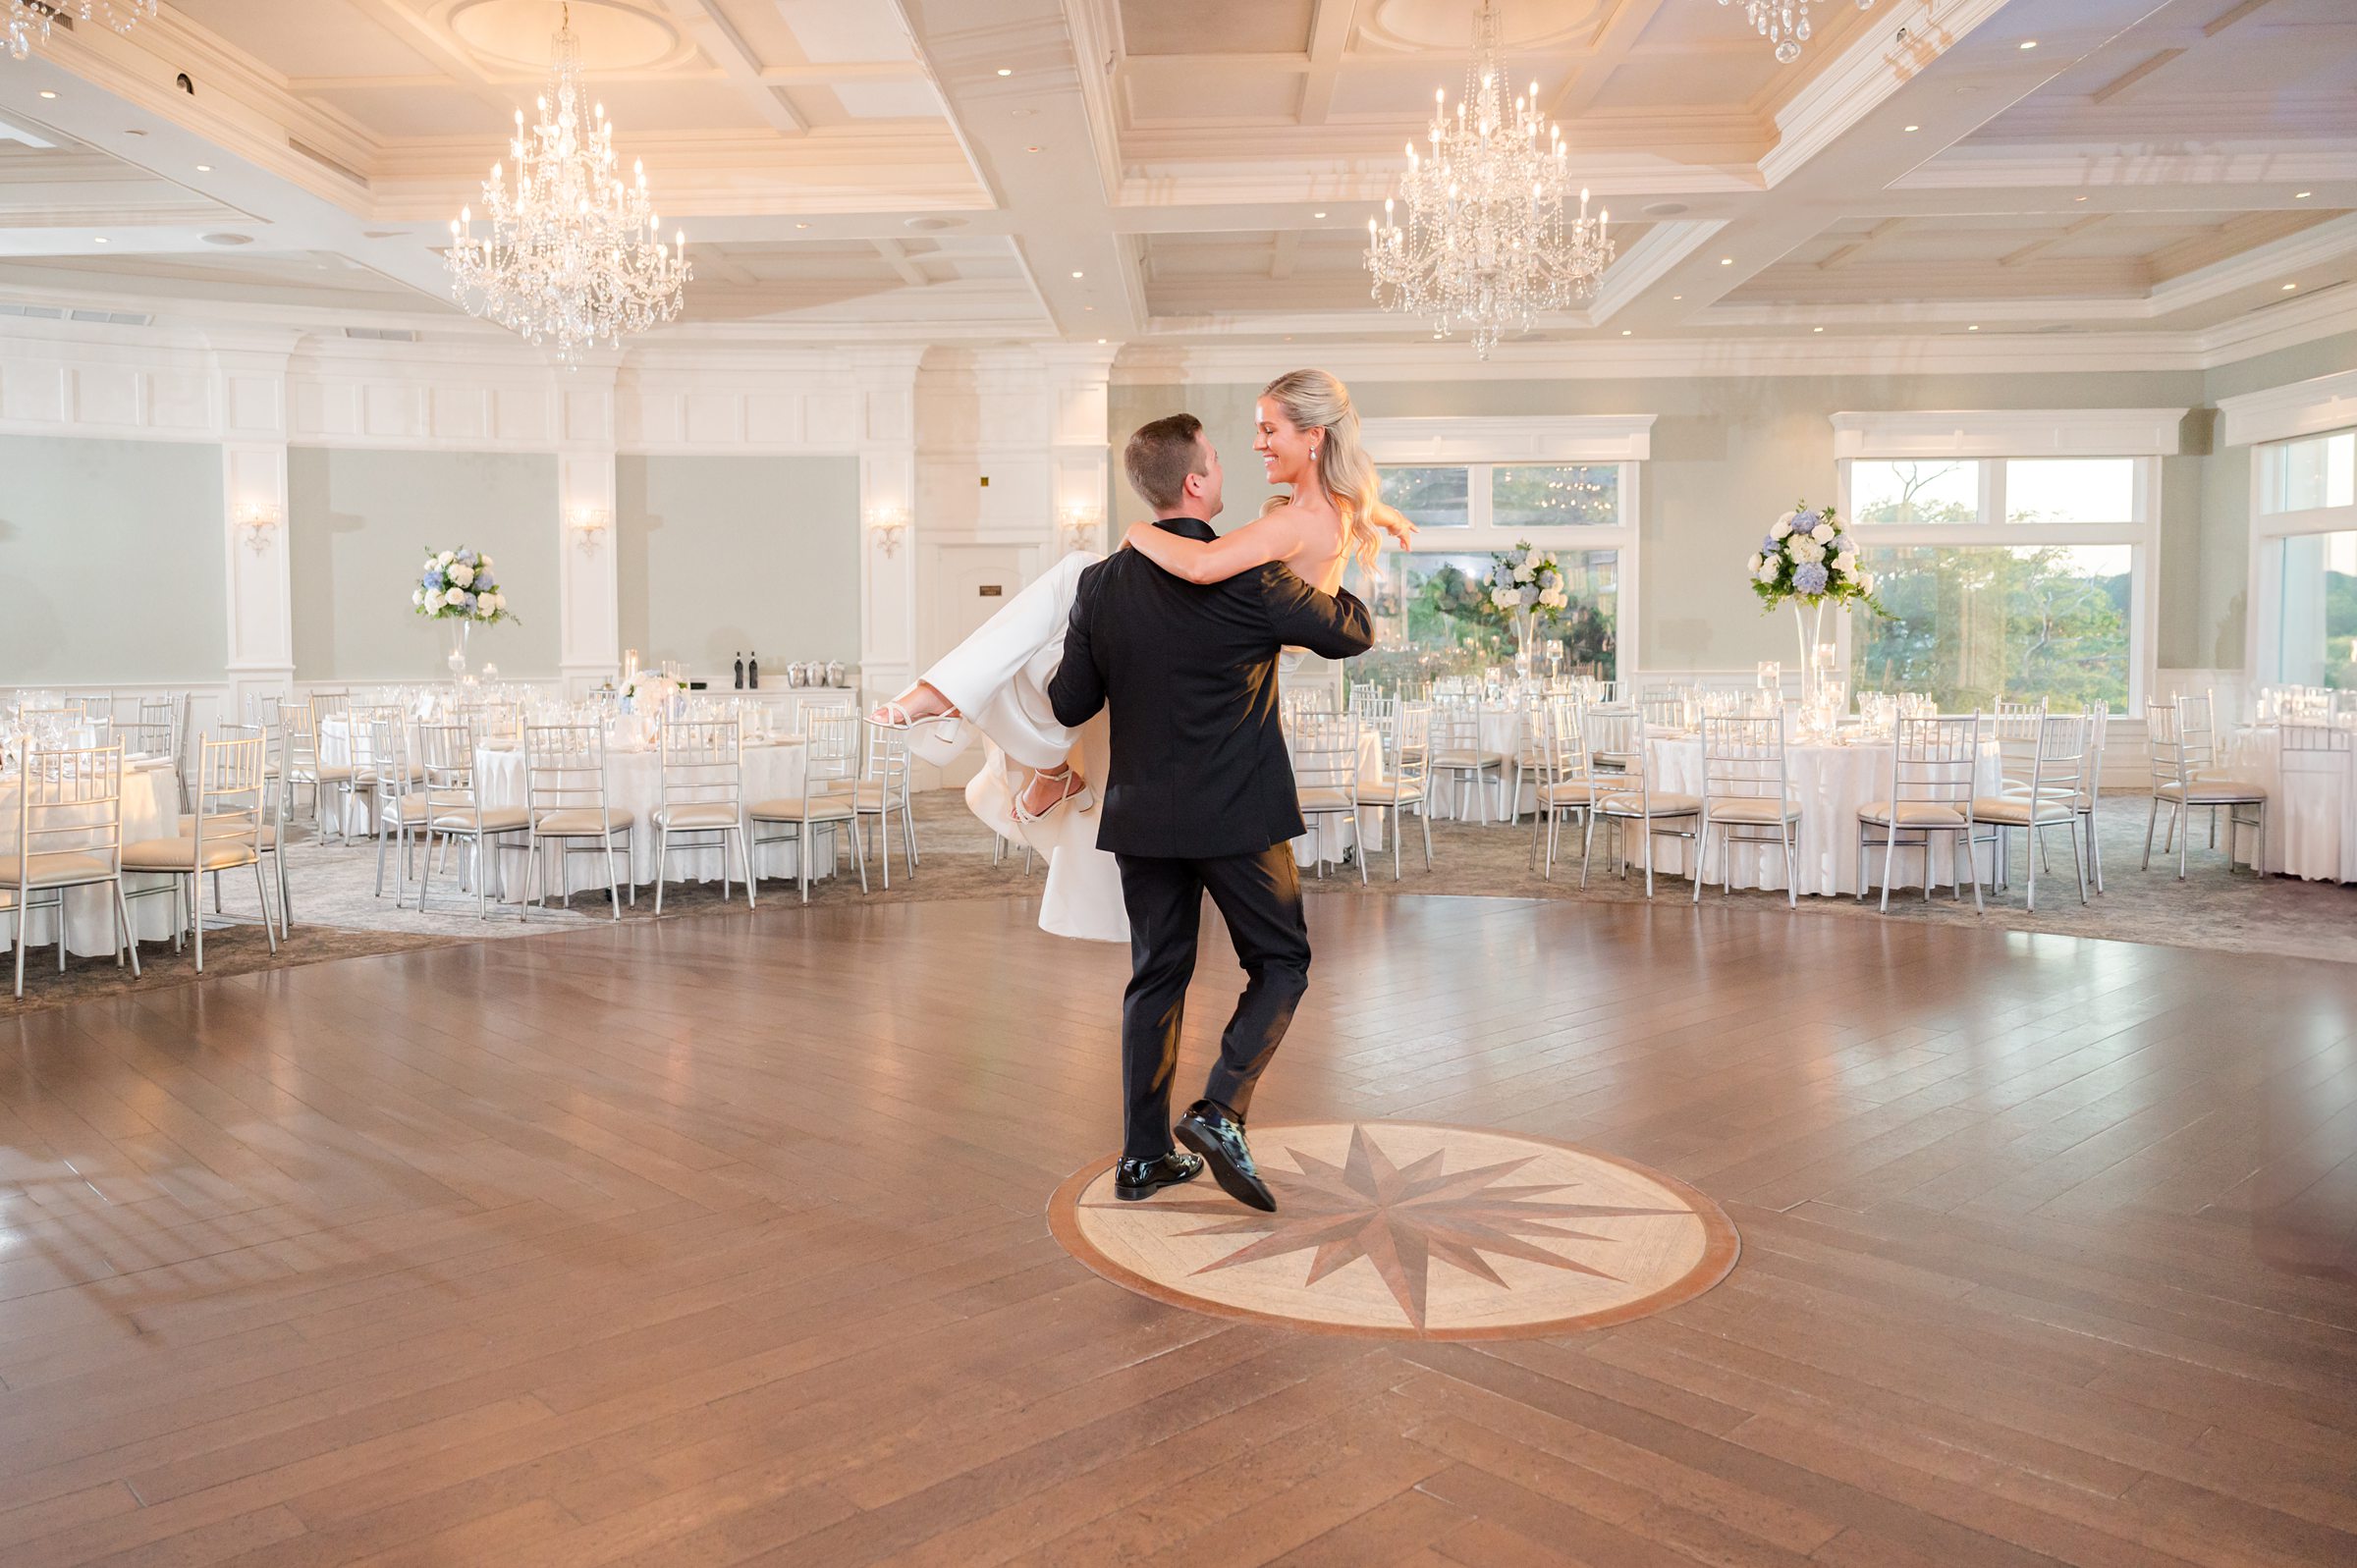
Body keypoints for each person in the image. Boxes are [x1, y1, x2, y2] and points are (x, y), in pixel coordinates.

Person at [866, 368, 1414, 945]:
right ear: (1197, 483)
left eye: (1266, 429)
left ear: (1314, 436)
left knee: (1081, 575)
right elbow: (1329, 517)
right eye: (1244, 439)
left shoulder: (1288, 524)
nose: (1255, 445)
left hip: (1252, 659)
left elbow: (1203, 566)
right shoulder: (1329, 507)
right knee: (1077, 593)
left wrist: (1134, 531)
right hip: (1238, 661)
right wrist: (1379, 513)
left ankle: (970, 713)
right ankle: (993, 726)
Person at [1047, 412, 1374, 1210]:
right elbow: (1352, 632)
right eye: (1219, 460)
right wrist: (1329, 546)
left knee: (1156, 977)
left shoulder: (1100, 582)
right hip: (1238, 816)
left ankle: (1143, 1157)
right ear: (1196, 482)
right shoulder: (1255, 576)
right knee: (1282, 961)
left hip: (1143, 819)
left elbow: (1068, 702)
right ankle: (1219, 1106)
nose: (1229, 467)